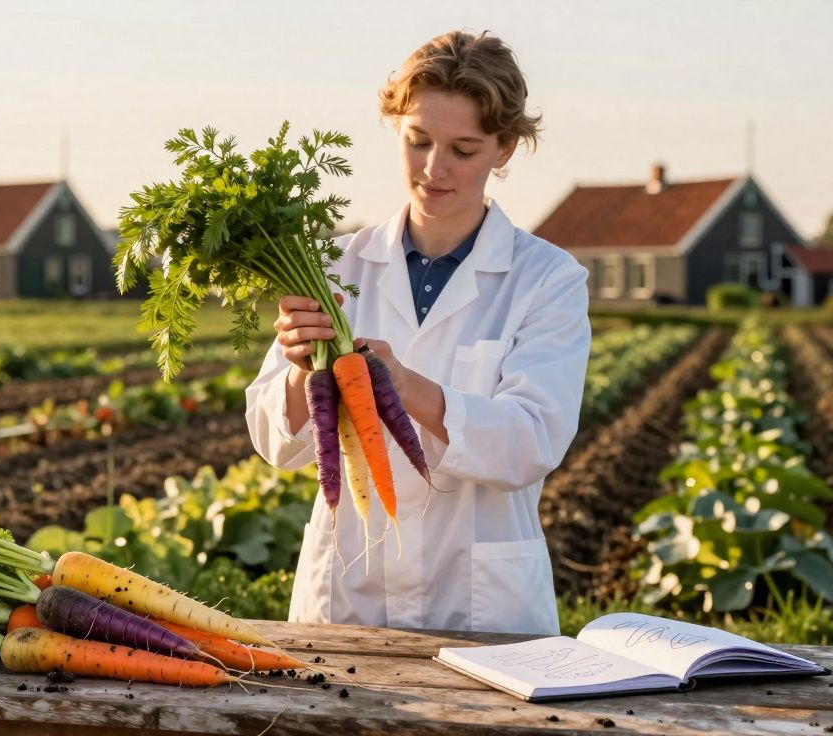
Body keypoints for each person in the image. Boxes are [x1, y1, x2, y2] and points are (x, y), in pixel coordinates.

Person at [244, 30, 590, 635]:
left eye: (463, 149)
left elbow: (534, 440)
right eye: (418, 141)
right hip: (348, 598)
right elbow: (274, 443)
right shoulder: (333, 268)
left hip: (484, 604)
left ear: (504, 150)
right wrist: (304, 375)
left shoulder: (547, 279)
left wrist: (406, 387)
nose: (435, 169)